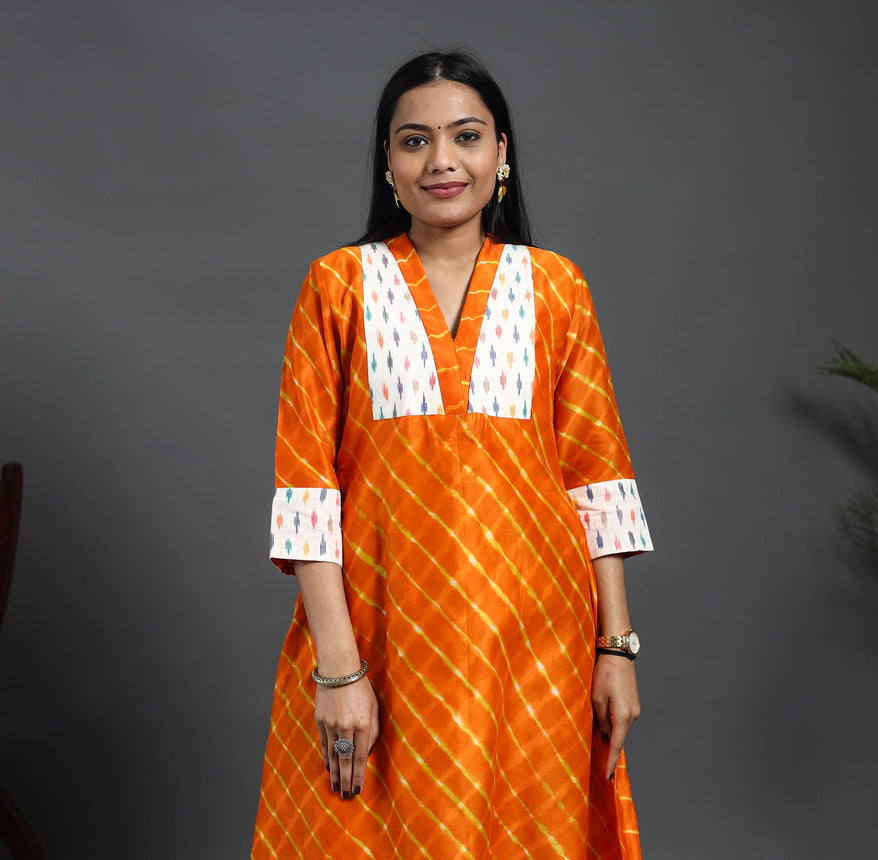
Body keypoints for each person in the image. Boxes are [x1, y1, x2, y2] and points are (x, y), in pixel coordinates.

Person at [252, 49, 653, 859]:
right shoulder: (338, 285)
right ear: (388, 163)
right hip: (383, 639)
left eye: (466, 136)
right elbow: (306, 491)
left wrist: (615, 649)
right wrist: (339, 669)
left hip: (537, 643)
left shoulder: (557, 287)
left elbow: (596, 477)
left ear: (501, 154)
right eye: (415, 141)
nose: (442, 160)